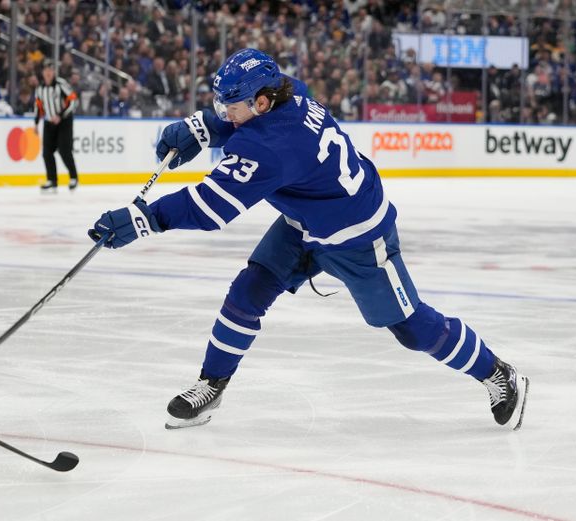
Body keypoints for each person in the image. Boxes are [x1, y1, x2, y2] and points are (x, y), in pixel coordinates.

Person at [89, 49, 530, 431]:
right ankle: (213, 384)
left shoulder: (269, 148)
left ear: (262, 101)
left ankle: (497, 372)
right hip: (307, 218)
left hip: (359, 236)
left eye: (232, 105)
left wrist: (143, 218)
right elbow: (240, 124)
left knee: (410, 327)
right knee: (248, 292)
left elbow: (209, 208)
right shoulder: (288, 89)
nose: (225, 112)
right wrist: (201, 128)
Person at [34, 59, 79, 192]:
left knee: (64, 150)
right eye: (46, 70)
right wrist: (36, 123)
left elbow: (72, 100)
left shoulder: (61, 84)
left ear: (53, 72)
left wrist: (60, 115)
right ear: (42, 72)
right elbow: (39, 106)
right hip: (49, 122)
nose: (48, 73)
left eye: (50, 70)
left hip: (64, 121)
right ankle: (52, 180)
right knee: (47, 152)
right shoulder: (40, 89)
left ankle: (73, 177)